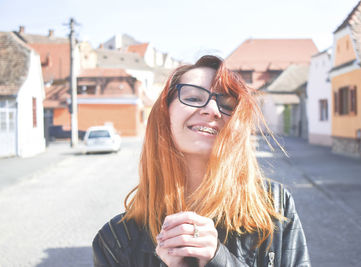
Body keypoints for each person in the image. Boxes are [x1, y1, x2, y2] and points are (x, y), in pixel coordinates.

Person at [92, 55, 311, 267]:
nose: (212, 110)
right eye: (194, 98)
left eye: (226, 103)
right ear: (164, 114)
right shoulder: (115, 241)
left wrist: (218, 260)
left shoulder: (275, 206)